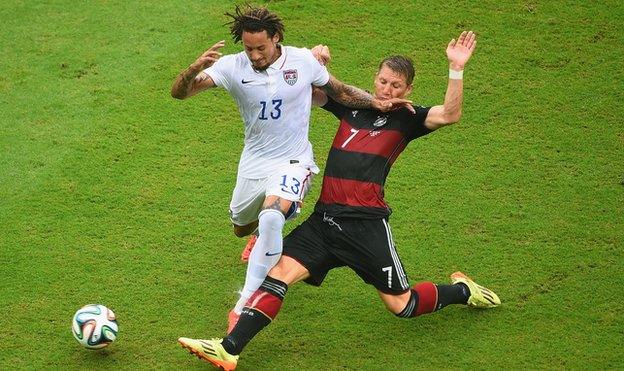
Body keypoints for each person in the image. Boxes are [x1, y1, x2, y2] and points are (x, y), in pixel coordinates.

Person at [178, 30, 500, 370]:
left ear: (408, 90)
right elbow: (309, 90)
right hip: (325, 221)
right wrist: (315, 61)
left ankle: (464, 292)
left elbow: (450, 114)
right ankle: (229, 349)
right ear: (375, 79)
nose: (387, 90)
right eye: (383, 81)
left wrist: (456, 68)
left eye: (396, 86)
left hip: (365, 226)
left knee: (402, 304)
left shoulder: (409, 119)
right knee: (278, 275)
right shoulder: (353, 108)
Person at [171, 4, 410, 335]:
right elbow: (180, 93)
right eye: (248, 47)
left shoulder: (301, 61)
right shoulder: (231, 66)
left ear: (276, 38)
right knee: (242, 227)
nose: (254, 55)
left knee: (272, 217)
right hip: (254, 163)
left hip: (294, 161)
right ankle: (263, 231)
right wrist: (193, 68)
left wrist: (375, 102)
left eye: (260, 47)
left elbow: (340, 92)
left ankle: (243, 308)